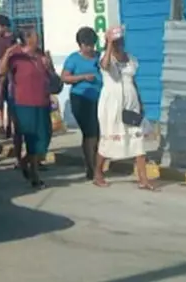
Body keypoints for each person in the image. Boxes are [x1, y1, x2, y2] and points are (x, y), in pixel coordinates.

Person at [94, 26, 157, 190]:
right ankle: (98, 173)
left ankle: (143, 179)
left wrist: (140, 102)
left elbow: (133, 81)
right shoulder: (105, 57)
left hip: (131, 103)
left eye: (120, 40)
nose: (119, 44)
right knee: (109, 139)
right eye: (116, 41)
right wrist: (108, 45)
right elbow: (105, 65)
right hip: (111, 105)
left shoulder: (130, 59)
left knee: (138, 140)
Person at [0, 28, 57, 188]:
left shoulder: (41, 55)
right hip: (24, 103)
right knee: (32, 139)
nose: (38, 37)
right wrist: (7, 54)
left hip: (43, 102)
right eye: (35, 35)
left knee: (45, 137)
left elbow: (51, 79)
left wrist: (50, 66)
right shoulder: (17, 55)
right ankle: (35, 177)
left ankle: (25, 162)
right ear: (28, 39)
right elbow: (1, 72)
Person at [62, 27, 103, 180]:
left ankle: (95, 162)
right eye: (87, 46)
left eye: (92, 45)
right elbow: (65, 78)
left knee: (98, 133)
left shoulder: (99, 57)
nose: (90, 49)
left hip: (99, 98)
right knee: (90, 132)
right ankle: (90, 166)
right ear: (81, 45)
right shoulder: (74, 59)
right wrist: (83, 77)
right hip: (81, 98)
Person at [0, 14, 16, 139]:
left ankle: (9, 126)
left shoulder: (13, 39)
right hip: (0, 73)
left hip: (10, 73)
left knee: (11, 100)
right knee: (0, 100)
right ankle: (0, 125)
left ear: (5, 27)